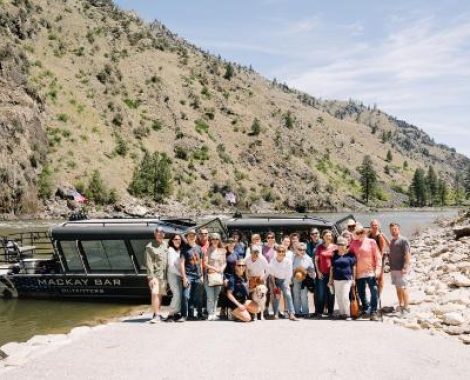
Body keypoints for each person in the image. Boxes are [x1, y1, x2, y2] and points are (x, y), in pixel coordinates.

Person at [349, 223, 382, 321]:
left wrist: (378, 270)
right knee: (361, 293)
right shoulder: (353, 243)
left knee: (374, 290)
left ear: (364, 232)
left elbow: (378, 257)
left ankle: (373, 312)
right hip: (358, 273)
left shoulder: (371, 242)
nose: (360, 234)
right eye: (358, 233)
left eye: (361, 232)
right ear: (356, 234)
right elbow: (349, 257)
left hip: (370, 271)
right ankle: (366, 308)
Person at [329, 237, 356, 320]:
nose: (340, 246)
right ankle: (342, 313)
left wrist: (354, 279)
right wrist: (330, 280)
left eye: (342, 244)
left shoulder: (350, 255)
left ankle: (348, 314)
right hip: (336, 279)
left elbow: (354, 267)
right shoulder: (335, 255)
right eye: (339, 244)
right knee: (338, 297)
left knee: (345, 297)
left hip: (346, 279)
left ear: (346, 245)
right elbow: (332, 268)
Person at [145, 226, 168, 323]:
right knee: (155, 294)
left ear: (164, 234)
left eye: (162, 232)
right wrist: (152, 277)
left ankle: (156, 313)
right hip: (155, 275)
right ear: (155, 234)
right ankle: (156, 315)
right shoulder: (149, 247)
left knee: (160, 295)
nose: (160, 233)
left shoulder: (166, 244)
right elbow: (148, 263)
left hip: (164, 275)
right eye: (158, 232)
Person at [179, 229, 204, 321]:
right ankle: (183, 315)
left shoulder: (199, 248)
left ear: (195, 237)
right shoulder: (184, 249)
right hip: (188, 275)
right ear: (187, 237)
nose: (192, 237)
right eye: (190, 236)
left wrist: (201, 275)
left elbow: (200, 263)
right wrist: (184, 277)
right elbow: (181, 263)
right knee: (185, 296)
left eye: (193, 235)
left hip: (198, 275)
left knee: (196, 297)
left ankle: (194, 315)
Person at [269, 246, 298, 321]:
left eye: (283, 251)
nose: (281, 253)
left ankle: (291, 314)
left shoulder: (288, 261)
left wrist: (286, 283)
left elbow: (289, 273)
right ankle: (275, 314)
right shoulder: (273, 261)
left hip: (285, 280)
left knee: (288, 295)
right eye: (279, 251)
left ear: (284, 253)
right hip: (276, 280)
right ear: (276, 252)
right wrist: (274, 285)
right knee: (277, 297)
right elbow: (271, 274)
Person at [389, 222, 411, 314]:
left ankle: (406, 307)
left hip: (401, 268)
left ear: (399, 229)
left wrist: (405, 267)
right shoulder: (392, 241)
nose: (393, 231)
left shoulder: (403, 240)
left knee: (404, 287)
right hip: (393, 268)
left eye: (395, 229)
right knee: (398, 288)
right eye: (391, 230)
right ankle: (401, 305)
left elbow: (407, 254)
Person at [204, 233, 227, 321]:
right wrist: (215, 268)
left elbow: (225, 262)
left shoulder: (222, 250)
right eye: (213, 239)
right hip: (209, 276)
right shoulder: (207, 250)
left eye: (217, 239)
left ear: (219, 240)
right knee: (210, 296)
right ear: (210, 240)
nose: (215, 240)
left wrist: (221, 268)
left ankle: (214, 313)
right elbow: (205, 263)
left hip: (218, 276)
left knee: (216, 296)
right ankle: (210, 313)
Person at [314, 230, 337, 317]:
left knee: (331, 293)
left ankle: (330, 312)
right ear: (323, 237)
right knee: (321, 293)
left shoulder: (335, 247)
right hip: (322, 274)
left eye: (329, 235)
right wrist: (318, 272)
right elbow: (316, 261)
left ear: (331, 237)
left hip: (332, 275)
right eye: (326, 235)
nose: (328, 237)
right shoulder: (319, 247)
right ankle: (320, 312)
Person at [292, 242, 315, 318]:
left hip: (305, 279)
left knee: (304, 295)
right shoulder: (293, 257)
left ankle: (305, 312)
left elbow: (312, 270)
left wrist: (308, 273)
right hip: (295, 278)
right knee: (296, 295)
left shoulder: (308, 258)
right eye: (300, 249)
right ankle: (297, 312)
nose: (302, 251)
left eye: (304, 250)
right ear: (296, 249)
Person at [368, 219, 389, 294]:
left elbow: (383, 249)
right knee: (372, 275)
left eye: (376, 225)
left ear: (378, 226)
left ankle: (379, 294)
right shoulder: (369, 235)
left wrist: (379, 259)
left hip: (380, 258)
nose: (374, 227)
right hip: (371, 258)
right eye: (373, 225)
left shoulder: (379, 236)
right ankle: (374, 291)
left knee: (380, 277)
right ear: (370, 226)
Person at [166, 233, 183, 321]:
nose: (178, 241)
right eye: (175, 239)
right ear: (172, 240)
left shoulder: (179, 250)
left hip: (179, 275)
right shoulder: (170, 250)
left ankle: (176, 312)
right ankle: (170, 314)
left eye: (179, 239)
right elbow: (171, 266)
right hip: (173, 275)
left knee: (179, 294)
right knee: (176, 294)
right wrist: (182, 275)